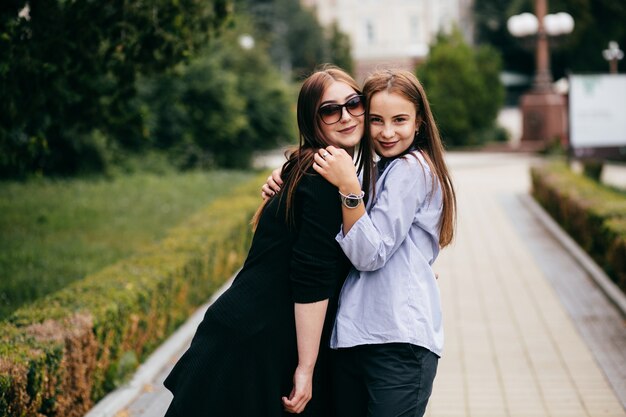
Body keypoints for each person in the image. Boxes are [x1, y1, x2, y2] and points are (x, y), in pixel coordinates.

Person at [163, 65, 374, 417]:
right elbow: (312, 279)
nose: (346, 116)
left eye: (354, 103)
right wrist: (306, 368)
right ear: (313, 121)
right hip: (256, 344)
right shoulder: (323, 181)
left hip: (246, 331)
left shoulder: (307, 167)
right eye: (330, 110)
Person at [263, 69, 456, 417]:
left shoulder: (411, 169)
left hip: (397, 342)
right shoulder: (377, 169)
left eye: (400, 119)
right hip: (356, 339)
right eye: (377, 119)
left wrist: (349, 190)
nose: (387, 131)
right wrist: (288, 177)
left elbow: (369, 254)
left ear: (419, 124)